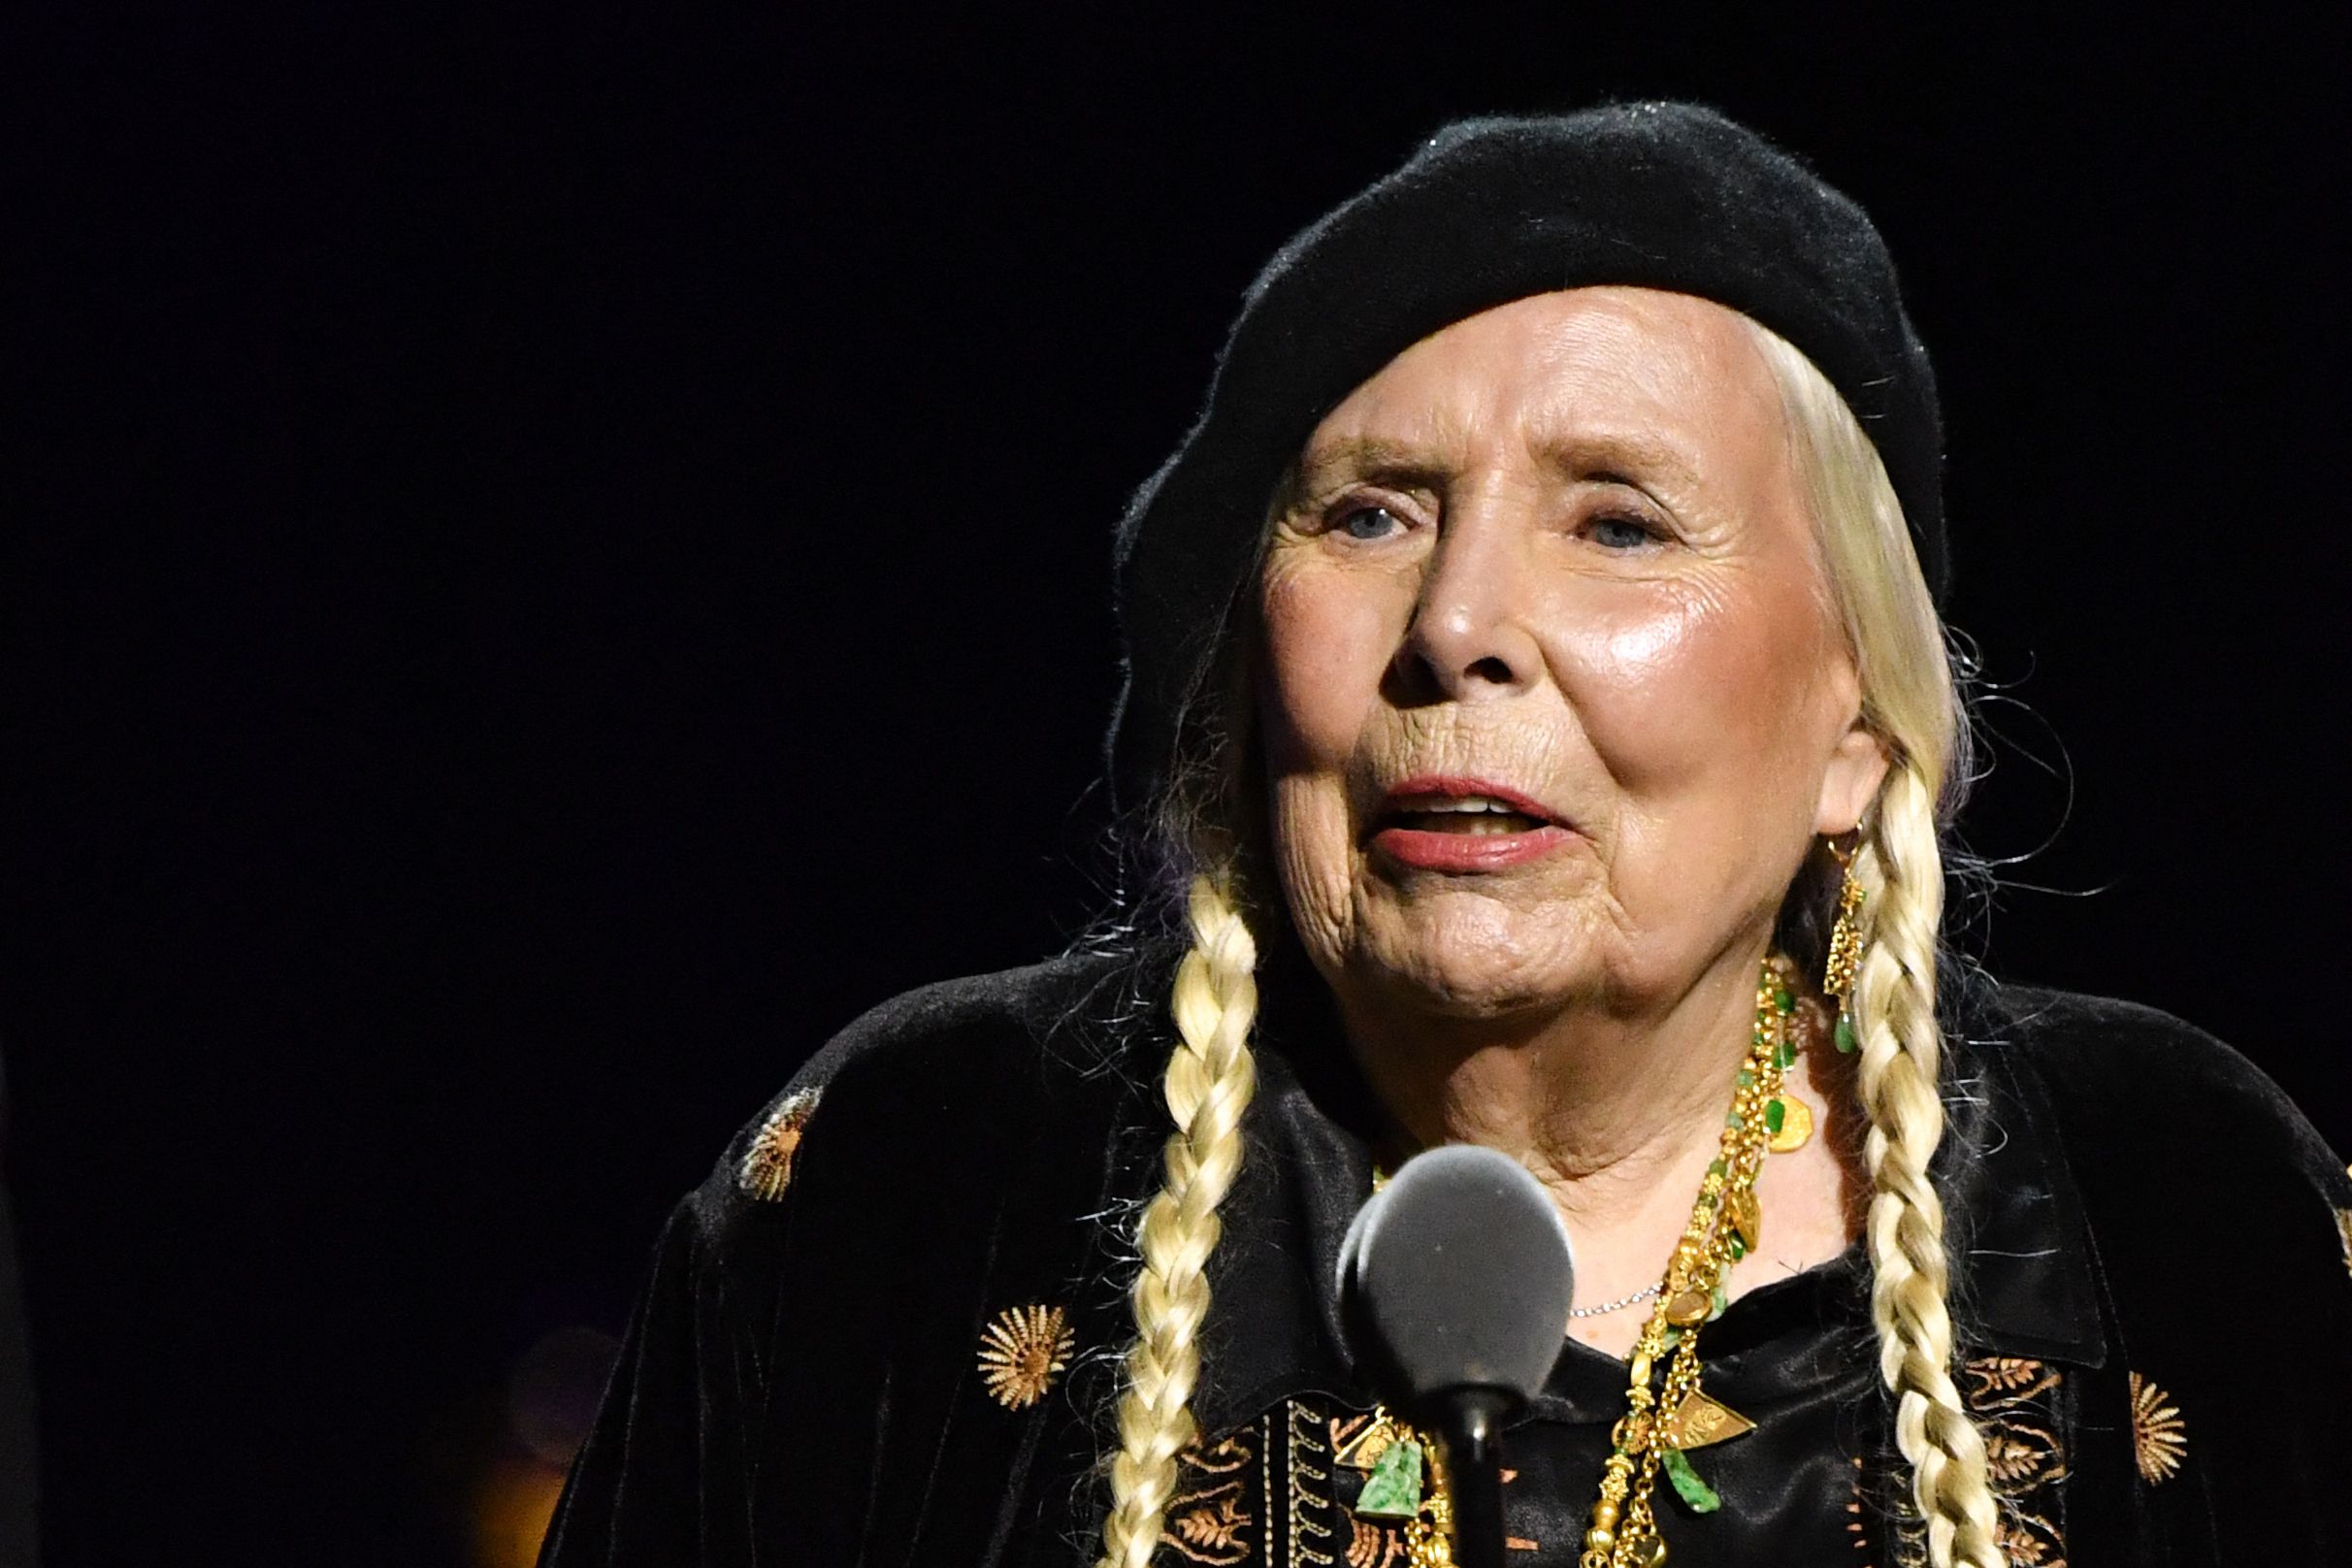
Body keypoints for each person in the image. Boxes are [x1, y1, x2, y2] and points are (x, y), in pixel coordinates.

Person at [538, 104, 2352, 1568]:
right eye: (1371, 515)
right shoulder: (930, 1179)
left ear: (1858, 730)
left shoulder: (2171, 1207)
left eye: (1622, 525)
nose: (1456, 620)